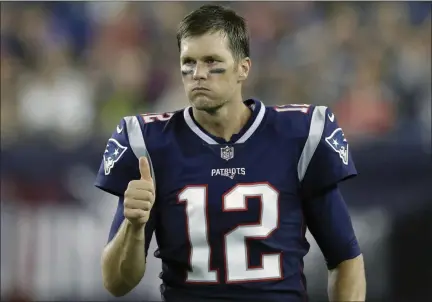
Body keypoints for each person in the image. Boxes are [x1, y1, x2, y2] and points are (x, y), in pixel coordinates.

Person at [95, 4, 366, 302]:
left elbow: (345, 258)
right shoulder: (151, 144)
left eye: (212, 61)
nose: (198, 74)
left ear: (243, 68)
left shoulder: (298, 136)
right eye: (189, 62)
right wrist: (134, 227)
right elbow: (116, 283)